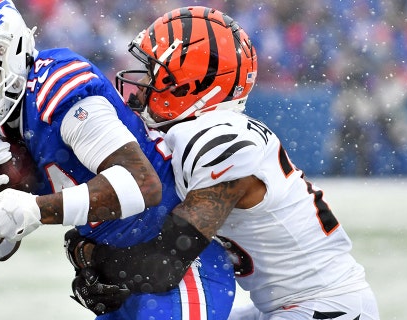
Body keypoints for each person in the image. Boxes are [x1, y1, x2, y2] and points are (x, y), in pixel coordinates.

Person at [0, 1, 235, 318]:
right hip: (121, 274)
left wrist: (36, 209)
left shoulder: (57, 89)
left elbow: (143, 185)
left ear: (11, 51)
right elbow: (0, 246)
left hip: (178, 259)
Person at [66, 6, 381, 320]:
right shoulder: (204, 131)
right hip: (284, 304)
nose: (141, 81)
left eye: (153, 70)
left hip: (324, 308)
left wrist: (94, 256)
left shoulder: (219, 144)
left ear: (188, 83)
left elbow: (163, 265)